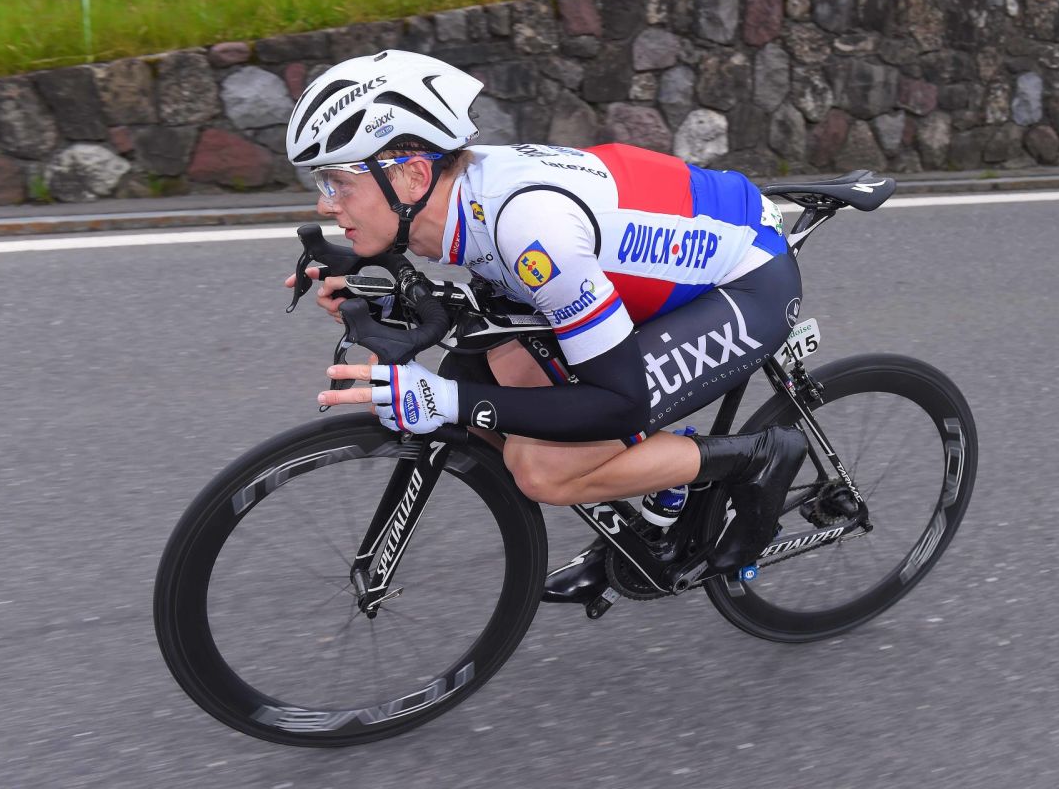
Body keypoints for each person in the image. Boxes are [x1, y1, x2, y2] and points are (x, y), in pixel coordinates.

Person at [283, 50, 808, 603]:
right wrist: (380, 283)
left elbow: (620, 402)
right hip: (646, 264)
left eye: (338, 183)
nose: (324, 204)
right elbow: (486, 296)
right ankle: (639, 526)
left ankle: (756, 458)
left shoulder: (528, 226)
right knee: (489, 372)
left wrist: (445, 400)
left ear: (412, 176)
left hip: (747, 279)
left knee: (541, 469)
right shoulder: (454, 194)